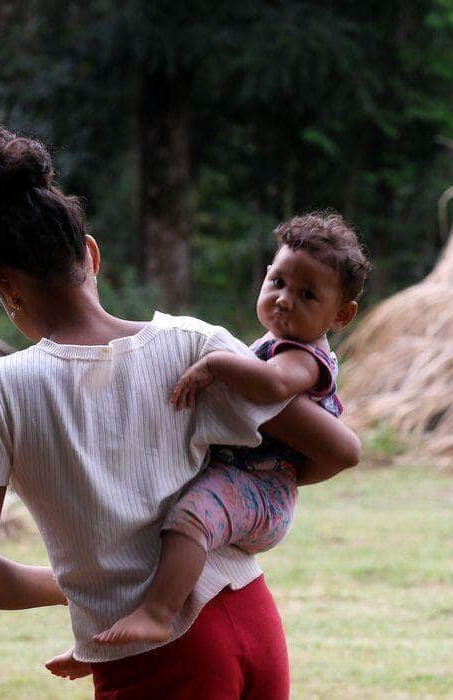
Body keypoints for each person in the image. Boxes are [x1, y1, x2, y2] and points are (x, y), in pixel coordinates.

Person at [0, 126, 361, 700]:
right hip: (251, 618)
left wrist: (82, 589)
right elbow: (338, 449)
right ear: (91, 255)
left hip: (155, 658)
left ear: (5, 287)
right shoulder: (195, 345)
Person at [90, 213, 369, 647]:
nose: (284, 300)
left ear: (342, 315)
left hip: (261, 487)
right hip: (246, 477)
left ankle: (158, 613)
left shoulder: (304, 358)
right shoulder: (274, 343)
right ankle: (110, 621)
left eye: (307, 294)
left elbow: (273, 385)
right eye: (278, 282)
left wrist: (217, 363)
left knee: (191, 518)